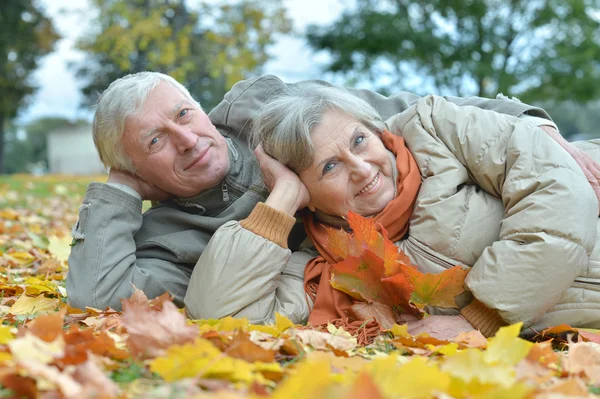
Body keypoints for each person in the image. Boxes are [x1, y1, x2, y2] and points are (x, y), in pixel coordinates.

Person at [67, 71, 567, 320]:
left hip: (481, 205)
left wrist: (529, 124)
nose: (188, 139)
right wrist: (118, 192)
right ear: (138, 172)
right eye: (154, 142)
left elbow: (400, 112)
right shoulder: (168, 237)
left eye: (183, 114)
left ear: (200, 106)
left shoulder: (259, 105)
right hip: (393, 268)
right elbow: (96, 301)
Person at [184, 80, 600, 339]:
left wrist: (481, 317)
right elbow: (220, 318)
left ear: (377, 131)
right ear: (304, 192)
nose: (362, 168)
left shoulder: (435, 129)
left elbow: (559, 191)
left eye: (359, 141)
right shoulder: (326, 267)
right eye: (329, 167)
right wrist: (280, 203)